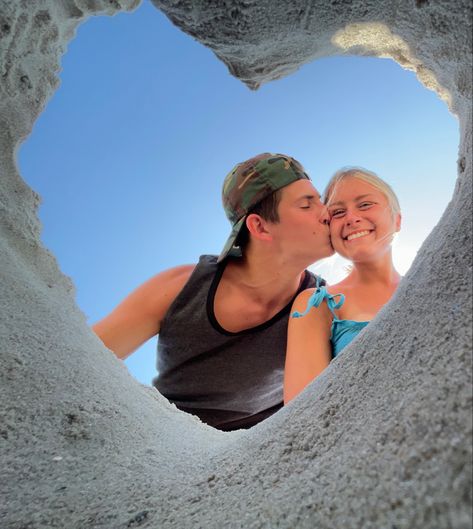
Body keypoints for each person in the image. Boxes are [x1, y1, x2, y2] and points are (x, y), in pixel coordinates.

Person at [93, 153, 334, 430]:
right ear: (260, 226)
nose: (327, 212)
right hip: (161, 440)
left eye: (321, 201)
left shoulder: (325, 304)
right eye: (307, 205)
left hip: (265, 449)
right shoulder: (179, 289)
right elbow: (83, 359)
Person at [284, 167, 402, 404]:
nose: (351, 218)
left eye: (365, 205)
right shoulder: (317, 303)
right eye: (338, 212)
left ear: (397, 220)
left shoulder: (432, 285)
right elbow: (302, 415)